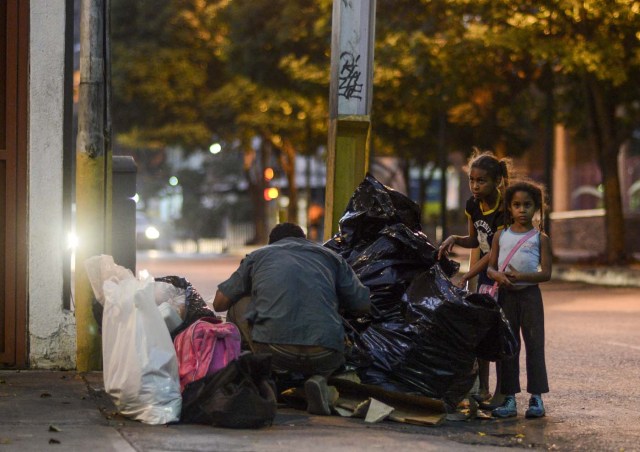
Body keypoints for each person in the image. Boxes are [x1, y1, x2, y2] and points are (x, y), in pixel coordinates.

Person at [212, 222, 371, 416]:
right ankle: (320, 380)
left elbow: (219, 303)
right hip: (325, 354)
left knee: (238, 303)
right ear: (304, 240)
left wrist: (256, 288)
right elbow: (363, 304)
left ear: (272, 243)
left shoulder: (259, 256)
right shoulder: (331, 257)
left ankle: (264, 374)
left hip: (274, 352)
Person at [437, 148, 512, 405]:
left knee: (501, 333)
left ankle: (504, 391)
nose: (475, 186)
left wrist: (466, 275)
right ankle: (483, 388)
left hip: (501, 274)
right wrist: (455, 239)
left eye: (482, 181)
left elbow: (494, 252)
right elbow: (475, 240)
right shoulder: (472, 204)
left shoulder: (504, 208)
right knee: (482, 331)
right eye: (472, 180)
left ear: (496, 181)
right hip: (484, 275)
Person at [486, 180, 552, 419]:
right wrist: (499, 276)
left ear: (536, 208)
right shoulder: (500, 235)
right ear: (509, 208)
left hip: (530, 296)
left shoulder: (540, 238)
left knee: (535, 346)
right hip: (506, 297)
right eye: (516, 205)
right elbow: (490, 268)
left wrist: (520, 276)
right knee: (508, 347)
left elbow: (546, 273)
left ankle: (536, 398)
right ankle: (509, 398)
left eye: (527, 205)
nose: (522, 210)